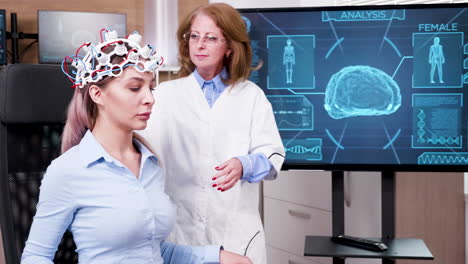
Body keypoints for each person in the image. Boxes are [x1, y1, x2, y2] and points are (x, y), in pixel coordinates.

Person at [21, 29, 252, 264]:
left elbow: (152, 251)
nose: (150, 98)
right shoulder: (68, 171)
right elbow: (35, 257)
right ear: (97, 94)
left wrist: (219, 257)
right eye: (134, 88)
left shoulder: (150, 164)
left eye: (150, 88)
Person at [141, 3, 285, 264]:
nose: (200, 45)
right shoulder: (164, 95)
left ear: (229, 46)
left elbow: (273, 155)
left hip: (235, 234)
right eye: (194, 36)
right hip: (179, 234)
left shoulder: (251, 96)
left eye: (210, 38)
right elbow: (141, 154)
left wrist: (245, 164)